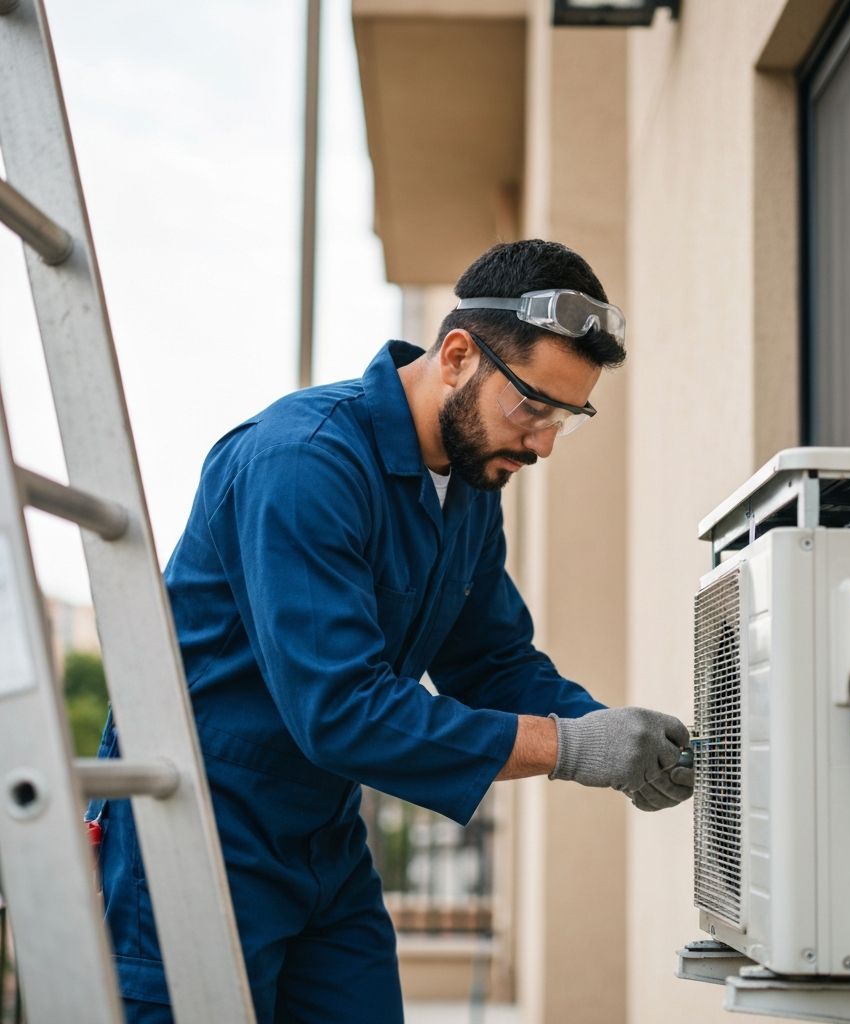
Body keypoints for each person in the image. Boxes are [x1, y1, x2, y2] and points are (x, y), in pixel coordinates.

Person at [90, 239, 693, 1023]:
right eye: (533, 406)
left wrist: (614, 734)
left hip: (323, 841)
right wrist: (571, 751)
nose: (543, 443)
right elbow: (341, 710)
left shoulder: (470, 487)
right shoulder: (303, 462)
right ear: (456, 356)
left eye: (566, 420)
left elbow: (493, 660)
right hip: (199, 836)